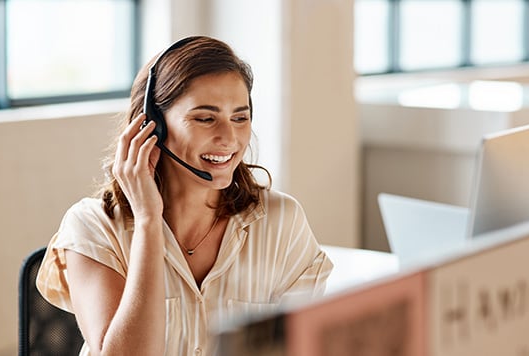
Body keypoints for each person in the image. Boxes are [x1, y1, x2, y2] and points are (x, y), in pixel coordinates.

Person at [36, 35, 333, 356]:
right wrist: (149, 221)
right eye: (205, 118)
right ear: (151, 127)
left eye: (240, 117)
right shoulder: (94, 227)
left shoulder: (281, 223)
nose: (229, 138)